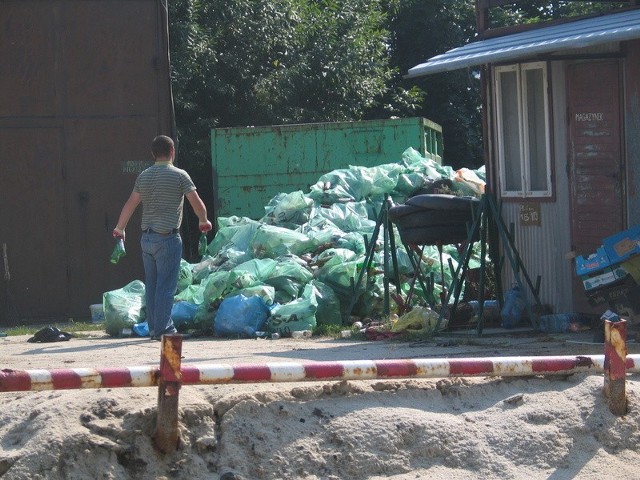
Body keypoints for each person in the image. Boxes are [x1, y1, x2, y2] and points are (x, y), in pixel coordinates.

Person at [113, 135, 212, 340]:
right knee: (166, 286)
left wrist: (120, 228)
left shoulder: (144, 176)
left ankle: (153, 328)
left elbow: (130, 204)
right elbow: (196, 202)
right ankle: (164, 330)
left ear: (153, 154)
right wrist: (204, 220)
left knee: (152, 285)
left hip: (146, 239)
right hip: (167, 238)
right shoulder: (180, 175)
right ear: (172, 152)